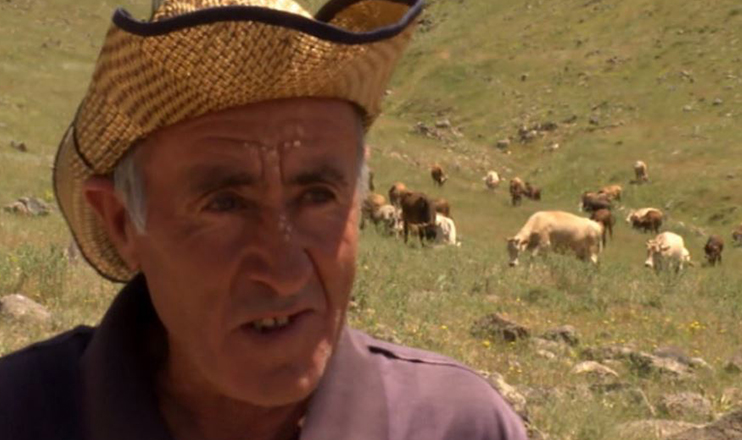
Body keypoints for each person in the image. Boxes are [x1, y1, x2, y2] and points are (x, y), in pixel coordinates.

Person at [0, 0, 528, 439]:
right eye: (224, 204)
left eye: (318, 195)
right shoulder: (18, 414)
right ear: (121, 223)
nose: (284, 272)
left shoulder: (460, 427)